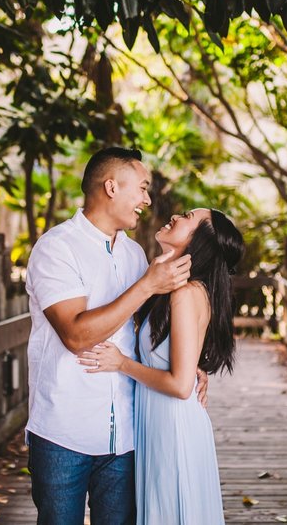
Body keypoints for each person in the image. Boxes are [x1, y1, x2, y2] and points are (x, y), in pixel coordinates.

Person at [24, 147, 206, 525]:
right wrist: (146, 286)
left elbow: (142, 332)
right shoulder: (56, 248)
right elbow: (75, 335)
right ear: (111, 187)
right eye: (141, 188)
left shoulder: (135, 254)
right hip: (63, 434)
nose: (146, 199)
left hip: (126, 434)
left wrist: (189, 366)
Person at [78, 207, 245, 525]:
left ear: (200, 241)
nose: (176, 217)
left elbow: (181, 386)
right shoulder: (170, 288)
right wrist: (194, 367)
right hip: (158, 421)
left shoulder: (185, 293)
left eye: (187, 217)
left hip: (173, 425)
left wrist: (122, 363)